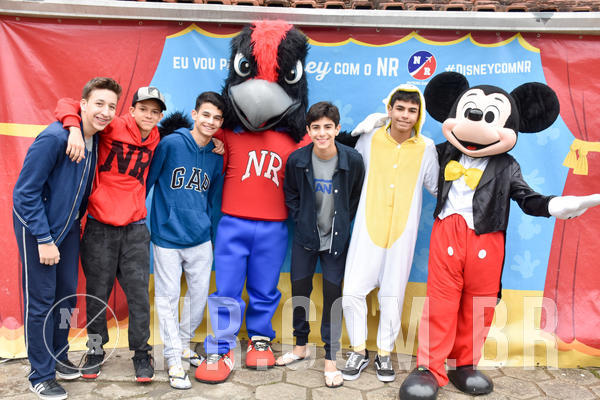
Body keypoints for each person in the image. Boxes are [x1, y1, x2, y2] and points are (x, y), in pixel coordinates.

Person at [13, 77, 122, 400]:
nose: (105, 112)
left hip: (69, 227)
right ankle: (40, 374)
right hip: (39, 228)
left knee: (66, 299)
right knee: (42, 302)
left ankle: (58, 356)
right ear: (83, 104)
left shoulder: (94, 138)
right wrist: (44, 238)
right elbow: (25, 194)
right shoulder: (55, 138)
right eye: (99, 103)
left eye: (111, 106)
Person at [54, 86, 166, 383]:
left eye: (155, 111)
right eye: (144, 109)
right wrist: (73, 129)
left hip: (135, 228)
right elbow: (65, 103)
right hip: (100, 226)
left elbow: (195, 133)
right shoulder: (111, 124)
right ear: (132, 110)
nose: (149, 115)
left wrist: (217, 144)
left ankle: (141, 353)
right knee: (96, 296)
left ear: (159, 116)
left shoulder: (157, 136)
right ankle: (94, 350)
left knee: (139, 297)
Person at [341, 85, 439, 382]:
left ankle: (384, 354)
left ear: (419, 115)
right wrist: (354, 133)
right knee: (352, 291)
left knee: (392, 296)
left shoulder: (426, 147)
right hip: (367, 228)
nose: (405, 115)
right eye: (400, 109)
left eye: (412, 110)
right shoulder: (370, 139)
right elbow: (346, 162)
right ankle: (359, 351)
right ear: (390, 110)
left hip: (402, 235)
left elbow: (436, 187)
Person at [278, 102, 364, 388]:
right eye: (316, 127)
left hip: (335, 242)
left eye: (328, 127)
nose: (322, 133)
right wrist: (303, 220)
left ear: (337, 129)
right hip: (305, 239)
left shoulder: (352, 160)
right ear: (308, 130)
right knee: (300, 291)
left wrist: (341, 224)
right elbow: (291, 194)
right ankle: (300, 347)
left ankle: (330, 359)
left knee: (332, 297)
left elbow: (354, 197)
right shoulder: (297, 160)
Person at [145, 92, 225, 390]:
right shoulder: (171, 144)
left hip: (200, 237)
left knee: (199, 296)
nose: (210, 122)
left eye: (217, 118)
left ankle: (182, 343)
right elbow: (148, 182)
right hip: (166, 236)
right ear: (194, 114)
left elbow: (212, 199)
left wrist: (210, 232)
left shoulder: (216, 155)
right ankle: (172, 359)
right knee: (166, 298)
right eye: (206, 115)